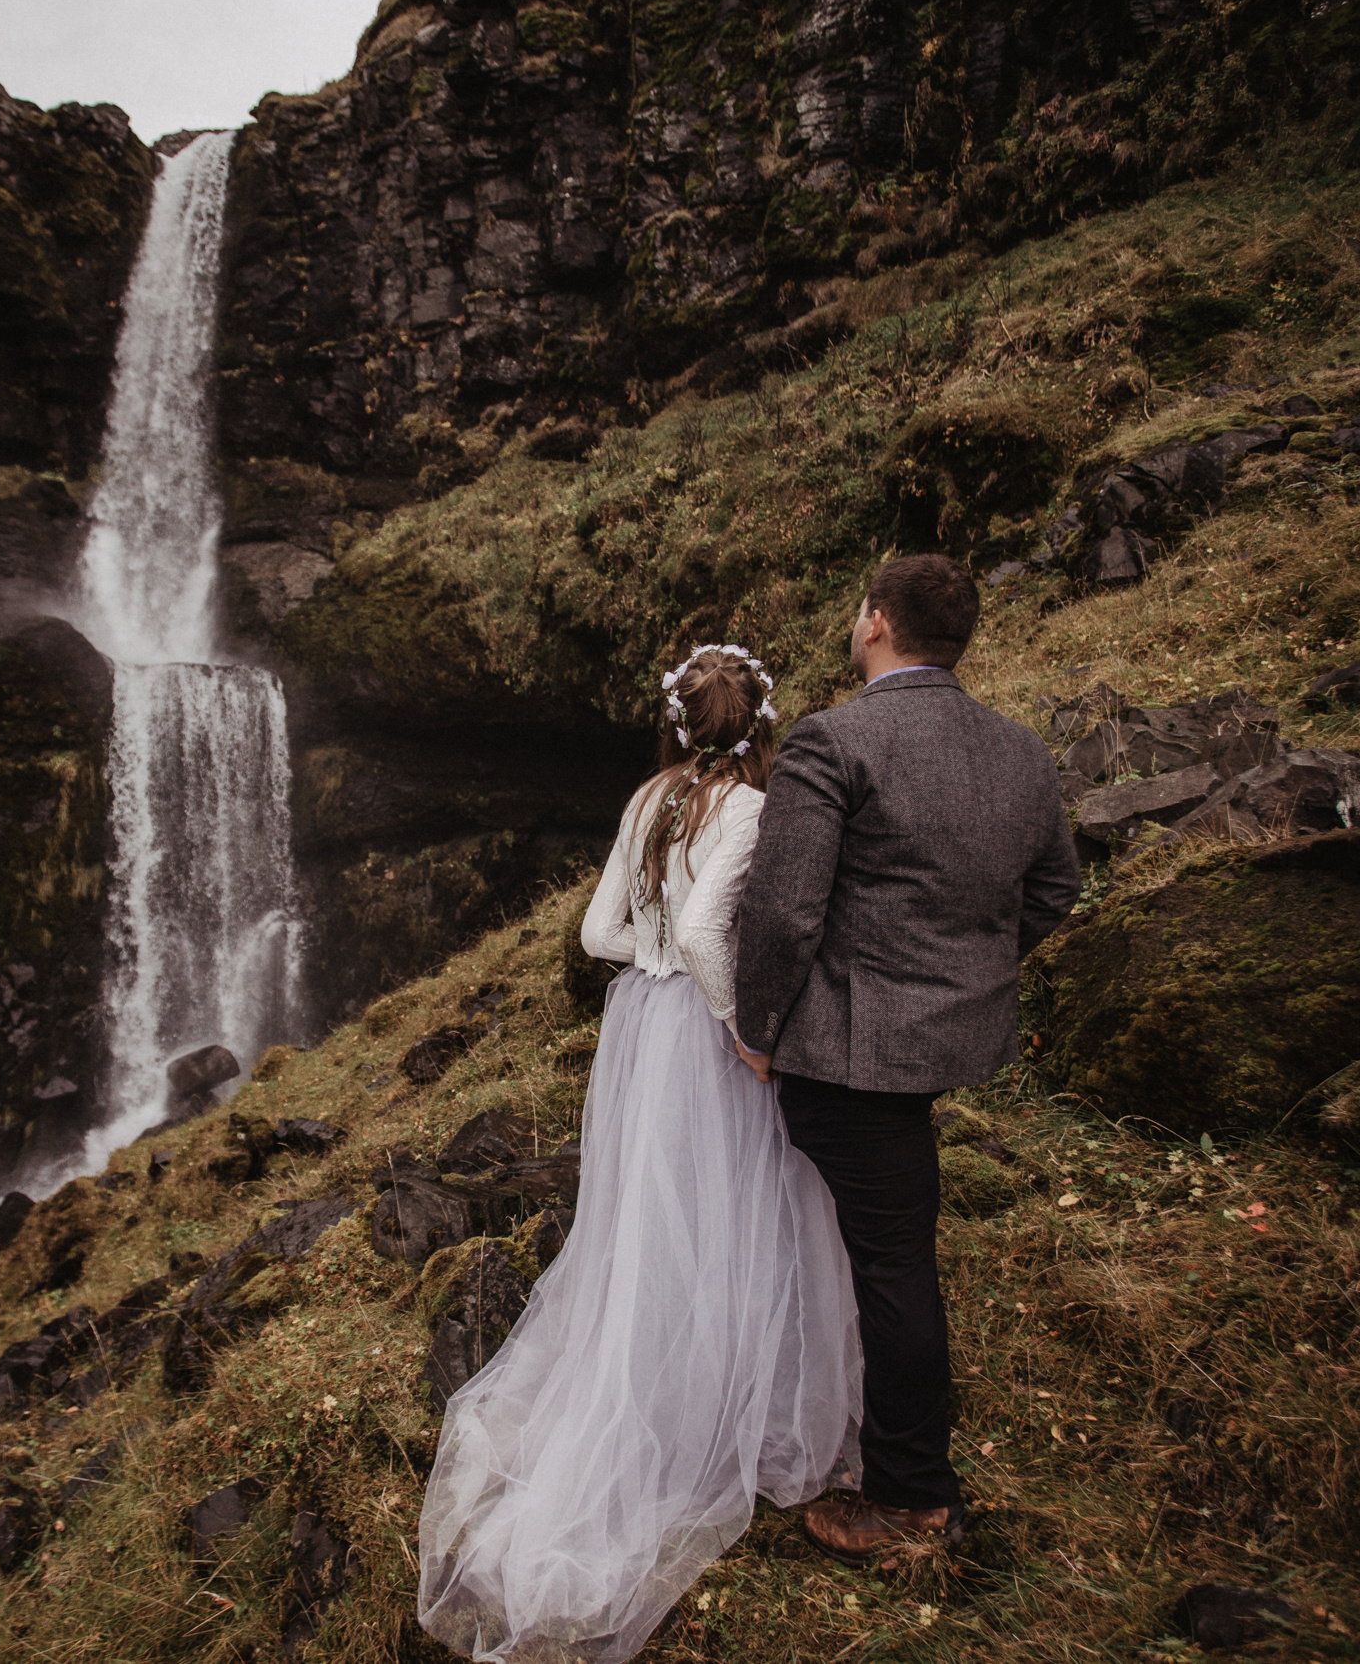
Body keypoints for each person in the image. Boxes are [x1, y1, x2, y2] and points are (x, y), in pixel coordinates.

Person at [417, 643, 863, 1664]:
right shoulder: (749, 809)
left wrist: (649, 963)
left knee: (653, 1212)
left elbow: (593, 932)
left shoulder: (646, 798)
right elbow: (711, 926)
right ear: (760, 724)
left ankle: (670, 1373)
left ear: (677, 723)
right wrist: (738, 1017)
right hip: (706, 1034)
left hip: (640, 1032)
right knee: (742, 1203)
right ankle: (731, 1397)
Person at [733, 552, 1081, 1565]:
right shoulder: (1018, 749)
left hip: (847, 1054)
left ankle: (910, 1490)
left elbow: (783, 912)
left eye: (857, 608)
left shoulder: (833, 738)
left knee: (892, 1262)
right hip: (941, 1040)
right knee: (884, 1245)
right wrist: (962, 974)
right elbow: (1052, 888)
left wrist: (757, 1029)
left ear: (877, 621)